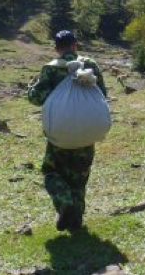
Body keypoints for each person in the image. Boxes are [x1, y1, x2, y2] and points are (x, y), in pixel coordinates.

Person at [27, 30, 107, 232]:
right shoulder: (90, 66)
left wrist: (31, 88)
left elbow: (36, 98)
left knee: (51, 171)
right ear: (75, 45)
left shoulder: (51, 70)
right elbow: (102, 94)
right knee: (79, 178)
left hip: (60, 136)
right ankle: (76, 222)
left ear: (56, 48)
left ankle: (65, 204)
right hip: (87, 133)